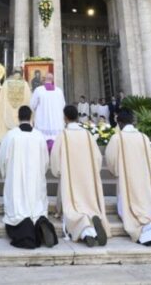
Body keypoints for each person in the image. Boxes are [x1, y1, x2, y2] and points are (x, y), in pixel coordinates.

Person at [105, 109, 151, 247]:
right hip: (144, 177)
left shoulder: (117, 137)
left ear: (119, 122)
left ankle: (146, 230)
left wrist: (115, 171)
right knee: (145, 200)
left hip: (127, 177)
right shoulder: (143, 137)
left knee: (129, 203)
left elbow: (111, 159)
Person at [49, 104, 110, 247]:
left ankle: (86, 230)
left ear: (65, 118)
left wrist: (58, 172)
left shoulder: (63, 135)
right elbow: (97, 157)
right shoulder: (88, 135)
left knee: (73, 210)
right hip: (87, 179)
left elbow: (55, 158)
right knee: (89, 206)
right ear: (77, 117)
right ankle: (93, 220)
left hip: (70, 179)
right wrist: (94, 170)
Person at [0, 105, 57, 249]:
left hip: (16, 180)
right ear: (31, 117)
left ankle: (26, 229)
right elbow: (45, 161)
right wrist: (40, 174)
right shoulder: (39, 136)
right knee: (36, 209)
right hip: (35, 181)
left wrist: (5, 174)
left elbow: (2, 157)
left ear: (18, 117)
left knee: (18, 212)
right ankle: (40, 222)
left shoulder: (11, 135)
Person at [0, 70, 31, 144]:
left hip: (7, 113)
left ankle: (2, 136)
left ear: (12, 73)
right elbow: (28, 99)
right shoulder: (25, 84)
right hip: (21, 115)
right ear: (21, 74)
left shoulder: (6, 83)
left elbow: (1, 100)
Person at [29, 73, 66, 151]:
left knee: (42, 150)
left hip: (43, 124)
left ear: (44, 80)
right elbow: (63, 106)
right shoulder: (59, 91)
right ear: (52, 80)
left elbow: (32, 105)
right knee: (56, 150)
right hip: (56, 125)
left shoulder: (38, 90)